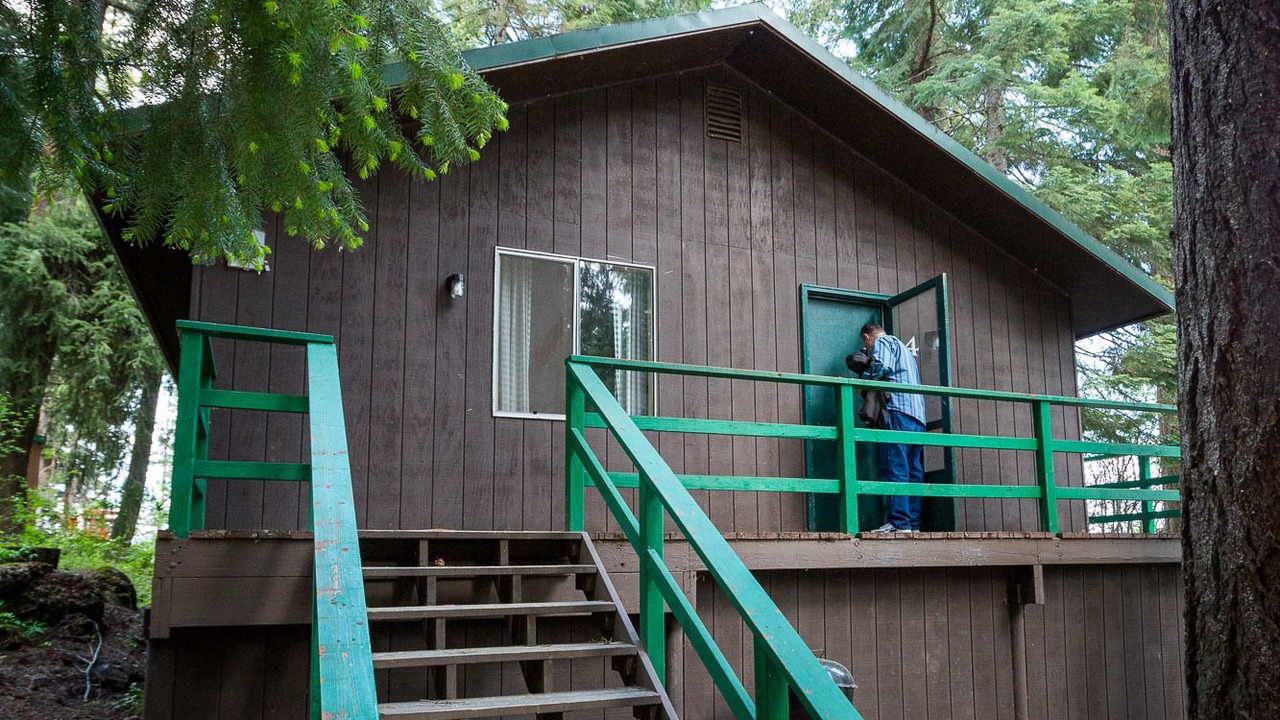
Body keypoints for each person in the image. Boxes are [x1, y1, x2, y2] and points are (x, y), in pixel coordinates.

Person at [858, 323, 926, 533]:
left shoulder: (883, 342)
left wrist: (862, 383)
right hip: (917, 416)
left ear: (867, 337)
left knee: (896, 467)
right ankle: (912, 525)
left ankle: (899, 523)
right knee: (913, 471)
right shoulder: (906, 351)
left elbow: (881, 367)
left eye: (866, 345)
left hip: (896, 411)